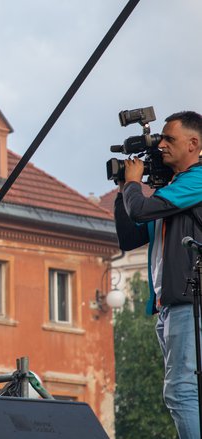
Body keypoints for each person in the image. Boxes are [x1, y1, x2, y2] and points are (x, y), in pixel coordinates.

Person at [114, 111, 202, 438]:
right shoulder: (173, 192)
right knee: (186, 391)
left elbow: (140, 208)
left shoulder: (198, 180)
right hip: (171, 307)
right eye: (161, 138)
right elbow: (131, 236)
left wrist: (135, 185)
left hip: (189, 303)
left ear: (194, 144)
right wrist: (124, 186)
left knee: (180, 391)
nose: (162, 145)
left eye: (170, 139)